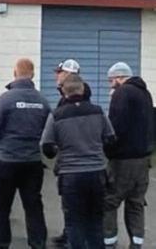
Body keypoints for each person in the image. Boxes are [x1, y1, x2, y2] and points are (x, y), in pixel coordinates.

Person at [41, 74, 116, 249]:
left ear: (64, 92)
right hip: (96, 173)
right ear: (82, 89)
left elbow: (47, 147)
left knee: (74, 222)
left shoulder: (57, 115)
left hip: (70, 175)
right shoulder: (98, 112)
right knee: (95, 221)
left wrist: (59, 150)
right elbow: (111, 138)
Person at [0, 58, 51, 249]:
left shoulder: (6, 99)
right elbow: (49, 131)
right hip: (32, 161)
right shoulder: (42, 100)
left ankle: (0, 244)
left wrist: (2, 142)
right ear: (33, 74)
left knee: (1, 208)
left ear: (15, 73)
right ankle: (38, 243)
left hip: (7, 160)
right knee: (33, 206)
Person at [103, 62, 154, 249]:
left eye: (111, 81)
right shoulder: (145, 94)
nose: (111, 85)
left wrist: (108, 150)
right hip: (143, 159)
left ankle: (109, 243)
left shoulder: (122, 93)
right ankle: (136, 243)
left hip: (123, 160)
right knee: (136, 204)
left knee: (109, 202)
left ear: (119, 77)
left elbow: (115, 127)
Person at [51, 58, 92, 247]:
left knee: (72, 200)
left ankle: (74, 237)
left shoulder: (71, 100)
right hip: (74, 155)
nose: (56, 76)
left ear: (68, 74)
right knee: (71, 201)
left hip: (72, 157)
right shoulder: (69, 97)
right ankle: (69, 233)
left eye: (59, 72)